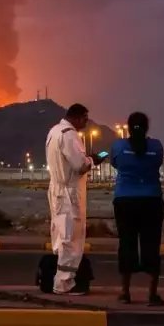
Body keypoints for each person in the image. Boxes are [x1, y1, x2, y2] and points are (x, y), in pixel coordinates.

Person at [109, 111, 164, 306]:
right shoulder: (156, 146)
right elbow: (157, 162)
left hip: (125, 200)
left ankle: (125, 292)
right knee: (152, 244)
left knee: (127, 243)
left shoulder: (118, 146)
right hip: (151, 200)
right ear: (147, 127)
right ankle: (152, 294)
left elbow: (115, 163)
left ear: (128, 127)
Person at [45, 103, 103, 295]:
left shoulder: (54, 131)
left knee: (61, 237)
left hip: (57, 190)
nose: (86, 123)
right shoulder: (69, 135)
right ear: (77, 117)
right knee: (71, 239)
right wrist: (93, 160)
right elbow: (80, 165)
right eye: (85, 119)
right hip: (69, 193)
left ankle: (59, 278)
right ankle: (64, 284)